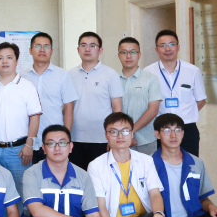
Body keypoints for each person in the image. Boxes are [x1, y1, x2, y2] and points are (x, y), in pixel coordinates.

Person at [0, 42, 42, 217]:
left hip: (19, 149)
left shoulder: (26, 86)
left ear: (17, 61)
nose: (5, 61)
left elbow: (35, 117)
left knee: (20, 193)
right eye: (0, 57)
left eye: (9, 57)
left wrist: (29, 144)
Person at [151, 113, 217, 217]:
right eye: (167, 130)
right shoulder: (148, 165)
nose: (173, 135)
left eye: (178, 130)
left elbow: (203, 198)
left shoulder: (196, 163)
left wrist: (211, 207)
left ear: (183, 133)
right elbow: (146, 209)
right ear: (157, 134)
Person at [145, 30, 207, 157]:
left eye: (172, 44)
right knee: (160, 166)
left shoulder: (192, 71)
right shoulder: (148, 72)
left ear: (178, 47)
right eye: (162, 45)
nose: (168, 49)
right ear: (156, 49)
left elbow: (201, 100)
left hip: (187, 129)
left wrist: (185, 113)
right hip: (160, 130)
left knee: (190, 165)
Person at [20, 32, 78, 164]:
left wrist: (65, 139)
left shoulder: (62, 75)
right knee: (30, 175)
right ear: (30, 50)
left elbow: (69, 109)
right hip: (27, 141)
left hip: (54, 141)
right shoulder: (21, 76)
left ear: (51, 51)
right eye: (38, 46)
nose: (42, 50)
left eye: (46, 46)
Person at [68, 32, 123, 170]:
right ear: (78, 49)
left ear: (100, 50)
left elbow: (117, 109)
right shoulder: (69, 75)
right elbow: (67, 108)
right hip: (75, 138)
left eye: (92, 46)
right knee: (79, 178)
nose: (87, 49)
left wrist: (114, 136)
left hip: (102, 138)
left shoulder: (110, 74)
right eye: (83, 45)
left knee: (101, 177)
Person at [117, 37, 162, 156]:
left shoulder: (151, 79)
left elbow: (153, 110)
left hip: (146, 139)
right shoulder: (113, 80)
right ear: (119, 55)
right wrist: (123, 134)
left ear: (139, 55)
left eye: (133, 52)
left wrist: (130, 131)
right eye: (124, 52)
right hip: (118, 139)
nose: (128, 56)